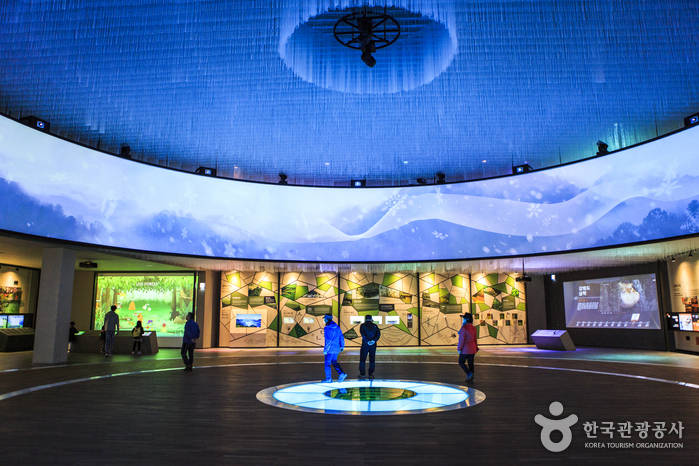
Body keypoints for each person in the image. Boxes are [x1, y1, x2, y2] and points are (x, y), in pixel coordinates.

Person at [322, 314, 347, 383]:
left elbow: (328, 340)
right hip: (336, 348)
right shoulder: (337, 327)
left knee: (327, 363)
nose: (324, 320)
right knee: (334, 361)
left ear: (326, 319)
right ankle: (341, 374)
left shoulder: (327, 328)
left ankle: (328, 379)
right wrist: (342, 346)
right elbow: (341, 337)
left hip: (330, 349)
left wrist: (325, 350)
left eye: (324, 319)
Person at [457, 312, 479, 383]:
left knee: (461, 362)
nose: (462, 319)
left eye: (463, 318)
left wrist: (459, 348)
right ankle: (471, 378)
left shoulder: (464, 328)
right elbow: (475, 339)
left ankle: (469, 373)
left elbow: (461, 340)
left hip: (465, 349)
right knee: (470, 363)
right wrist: (476, 347)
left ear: (466, 319)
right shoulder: (474, 328)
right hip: (472, 349)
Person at [358, 315, 381, 379]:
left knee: (362, 359)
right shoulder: (375, 326)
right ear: (371, 319)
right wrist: (373, 341)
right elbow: (378, 334)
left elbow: (363, 334)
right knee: (372, 359)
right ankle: (371, 373)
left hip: (365, 344)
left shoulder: (362, 325)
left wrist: (367, 341)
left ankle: (362, 374)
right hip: (373, 345)